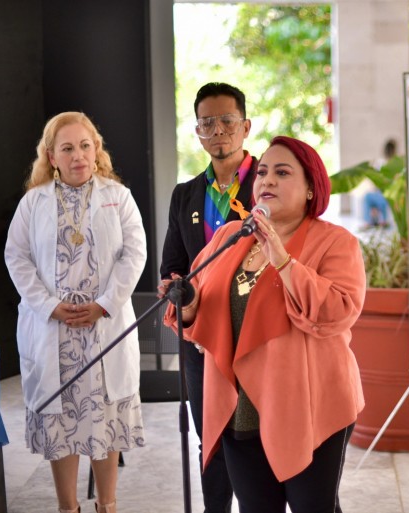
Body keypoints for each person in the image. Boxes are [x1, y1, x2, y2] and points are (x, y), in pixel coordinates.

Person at [163, 136, 365, 513]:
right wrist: (185, 302)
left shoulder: (336, 242)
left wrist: (283, 261)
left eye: (283, 173)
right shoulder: (230, 236)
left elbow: (337, 312)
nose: (267, 180)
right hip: (240, 407)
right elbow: (200, 309)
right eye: (263, 172)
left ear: (310, 188)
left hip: (309, 404)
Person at [5, 111, 147, 513]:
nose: (78, 155)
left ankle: (107, 505)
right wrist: (49, 306)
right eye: (67, 148)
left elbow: (135, 253)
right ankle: (68, 507)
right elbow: (16, 257)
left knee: (104, 417)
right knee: (61, 421)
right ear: (51, 156)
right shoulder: (34, 202)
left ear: (96, 149)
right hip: (55, 329)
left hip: (103, 326)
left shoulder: (118, 197)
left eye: (85, 146)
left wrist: (104, 304)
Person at [159, 82, 256, 512]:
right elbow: (172, 265)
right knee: (211, 437)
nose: (218, 131)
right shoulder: (185, 195)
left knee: (262, 436)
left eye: (227, 121)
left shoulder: (270, 182)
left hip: (256, 335)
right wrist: (175, 288)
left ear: (246, 127)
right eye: (207, 123)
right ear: (197, 132)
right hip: (202, 339)